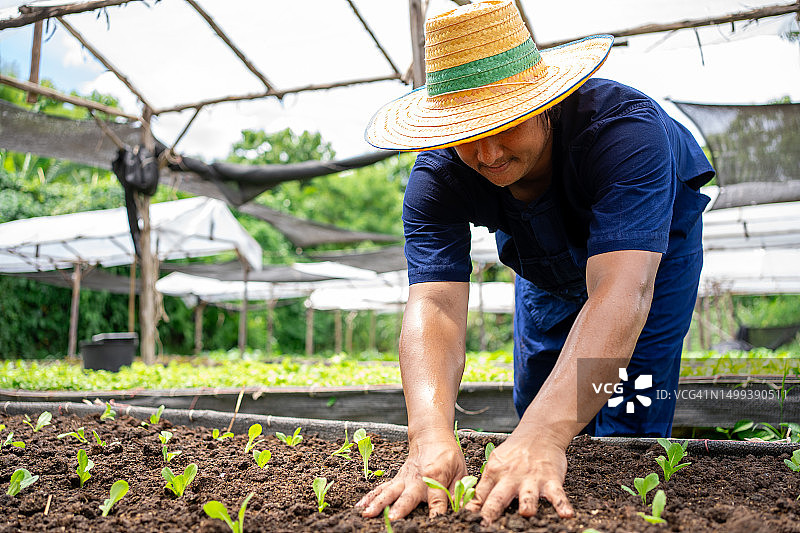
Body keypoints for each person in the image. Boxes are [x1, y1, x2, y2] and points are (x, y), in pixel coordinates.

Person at [357, 0, 714, 525]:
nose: (489, 151)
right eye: (467, 132)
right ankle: (536, 461)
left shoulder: (624, 133)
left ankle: (618, 502)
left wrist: (546, 434)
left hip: (646, 264)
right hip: (543, 265)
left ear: (544, 102)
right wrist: (428, 435)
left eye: (507, 123)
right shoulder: (437, 179)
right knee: (540, 392)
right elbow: (434, 304)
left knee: (630, 400)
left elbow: (621, 292)